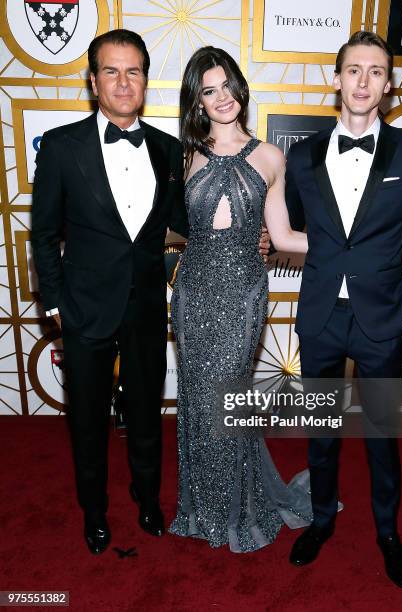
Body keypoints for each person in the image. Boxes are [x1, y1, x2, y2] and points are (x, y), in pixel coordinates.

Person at [31, 29, 193, 555]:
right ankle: (94, 511)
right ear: (93, 80)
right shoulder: (60, 147)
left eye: (134, 71)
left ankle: (148, 499)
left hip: (145, 307)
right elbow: (44, 232)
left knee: (148, 413)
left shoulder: (170, 151)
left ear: (146, 79)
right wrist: (55, 303)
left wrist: (245, 233)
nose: (124, 82)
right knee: (88, 420)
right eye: (111, 71)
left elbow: (185, 223)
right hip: (82, 310)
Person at [285, 31, 402, 588]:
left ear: (388, 85)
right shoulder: (302, 157)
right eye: (353, 70)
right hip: (322, 315)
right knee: (321, 430)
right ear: (336, 78)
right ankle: (321, 519)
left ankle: (387, 533)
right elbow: (300, 228)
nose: (363, 81)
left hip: (381, 321)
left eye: (375, 72)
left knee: (381, 434)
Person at [169, 46, 314, 552]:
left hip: (245, 291)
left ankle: (237, 509)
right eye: (209, 90)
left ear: (239, 88)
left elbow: (284, 235)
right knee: (199, 399)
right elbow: (161, 227)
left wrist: (352, 245)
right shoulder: (182, 155)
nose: (221, 97)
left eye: (227, 85)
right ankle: (203, 508)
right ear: (197, 101)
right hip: (193, 293)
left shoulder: (271, 156)